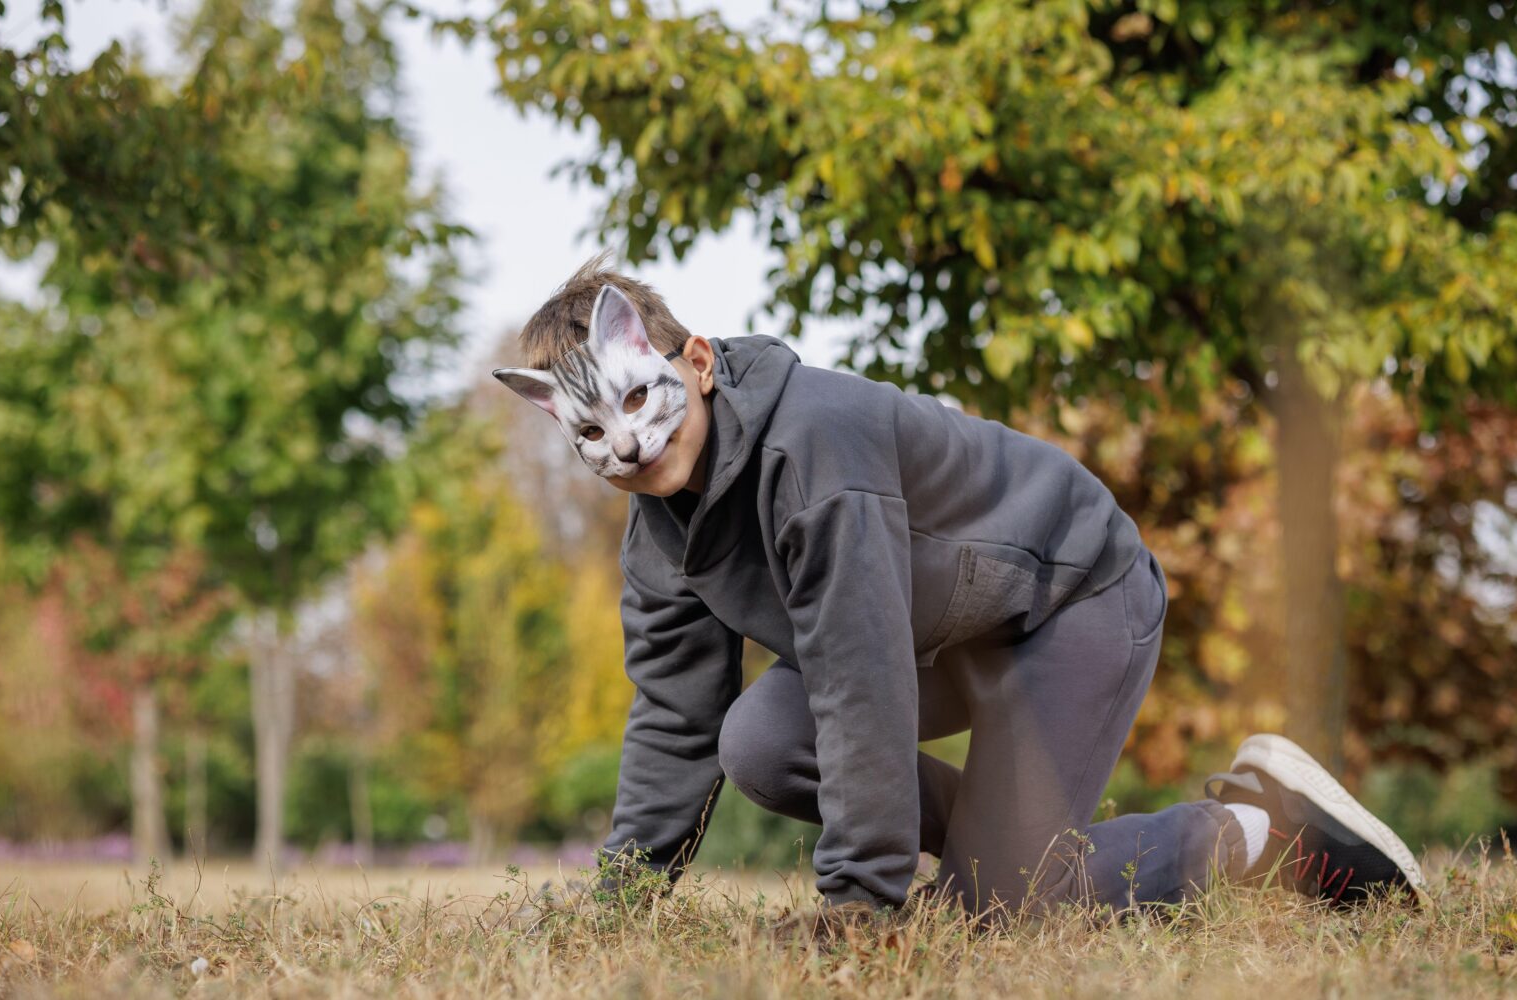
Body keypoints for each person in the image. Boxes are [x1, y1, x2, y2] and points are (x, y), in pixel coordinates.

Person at [491, 252, 1429, 926]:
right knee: (763, 741)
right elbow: (674, 717)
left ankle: (1263, 830)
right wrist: (616, 907)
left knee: (1009, 905)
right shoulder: (660, 529)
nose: (626, 446)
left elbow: (860, 679)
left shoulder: (812, 447)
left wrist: (858, 904)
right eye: (587, 433)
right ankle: (1007, 839)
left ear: (694, 362)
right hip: (937, 634)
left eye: (635, 401)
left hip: (1067, 602)